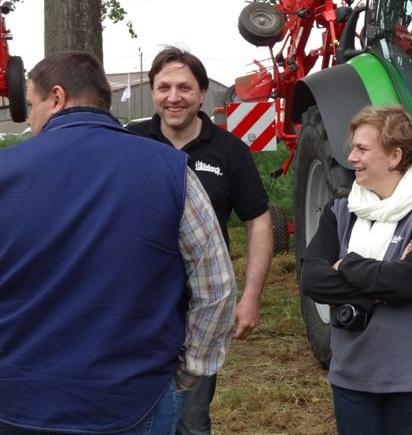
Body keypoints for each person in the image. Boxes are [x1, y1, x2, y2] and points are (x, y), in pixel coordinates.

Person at [0, 51, 236, 434]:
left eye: (31, 104)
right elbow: (216, 286)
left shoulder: (5, 172)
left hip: (16, 402)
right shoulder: (171, 171)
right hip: (133, 399)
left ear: (56, 98)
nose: (29, 119)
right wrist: (190, 372)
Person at [127, 46, 273, 435]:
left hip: (202, 308)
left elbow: (258, 223)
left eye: (184, 88)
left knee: (190, 419)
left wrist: (251, 297)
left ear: (203, 92)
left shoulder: (229, 151)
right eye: (164, 87)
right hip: (137, 305)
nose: (173, 97)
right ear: (152, 90)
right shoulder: (130, 142)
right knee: (134, 416)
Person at [299, 105, 412, 435]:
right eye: (353, 149)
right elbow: (312, 280)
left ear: (394, 156)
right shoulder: (340, 211)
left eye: (362, 149)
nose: (352, 158)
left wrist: (346, 264)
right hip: (354, 383)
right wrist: (385, 281)